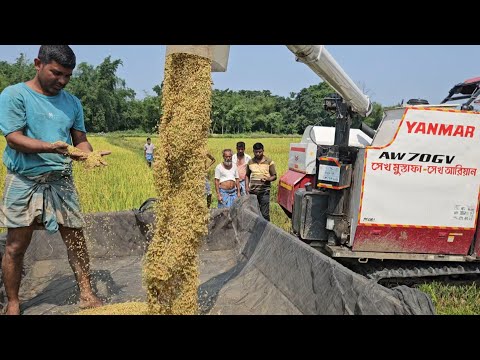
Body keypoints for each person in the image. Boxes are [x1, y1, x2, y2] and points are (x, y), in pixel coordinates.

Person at [0, 45, 109, 315]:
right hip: (24, 179)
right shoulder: (15, 95)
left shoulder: (72, 102)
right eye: (56, 73)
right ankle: (13, 302)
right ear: (38, 63)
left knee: (76, 240)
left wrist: (87, 157)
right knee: (15, 245)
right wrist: (50, 147)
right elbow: (13, 138)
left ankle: (86, 292)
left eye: (67, 76)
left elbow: (80, 141)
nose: (61, 81)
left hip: (61, 180)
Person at [245, 142, 277, 221]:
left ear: (263, 151)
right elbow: (247, 175)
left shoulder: (269, 161)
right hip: (253, 191)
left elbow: (274, 176)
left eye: (260, 152)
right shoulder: (250, 162)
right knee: (253, 212)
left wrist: (268, 179)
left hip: (264, 191)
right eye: (256, 152)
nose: (258, 154)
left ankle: (266, 230)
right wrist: (246, 187)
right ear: (253, 151)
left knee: (264, 214)